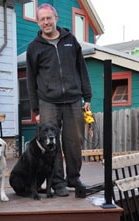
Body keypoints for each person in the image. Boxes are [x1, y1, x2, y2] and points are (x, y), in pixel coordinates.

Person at [26, 3, 92, 197]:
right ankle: (58, 182)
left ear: (56, 18)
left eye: (49, 18)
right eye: (42, 19)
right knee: (50, 143)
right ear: (38, 22)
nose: (46, 22)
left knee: (74, 141)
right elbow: (30, 80)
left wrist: (87, 96)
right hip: (48, 101)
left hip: (73, 99)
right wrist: (36, 109)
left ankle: (74, 178)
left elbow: (82, 69)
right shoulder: (34, 48)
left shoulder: (71, 41)